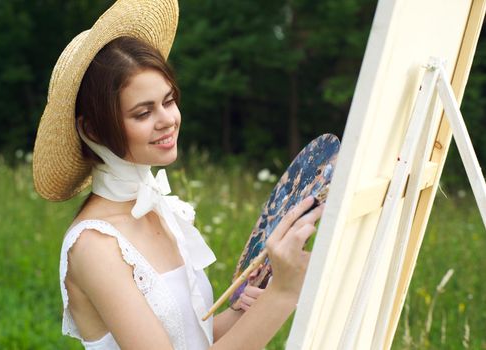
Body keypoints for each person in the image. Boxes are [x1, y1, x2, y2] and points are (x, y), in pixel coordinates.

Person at [33, 0, 324, 349]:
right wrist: (284, 293)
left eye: (169, 101)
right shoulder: (94, 246)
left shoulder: (160, 209)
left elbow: (193, 338)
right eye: (143, 113)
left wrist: (248, 310)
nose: (168, 119)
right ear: (93, 130)